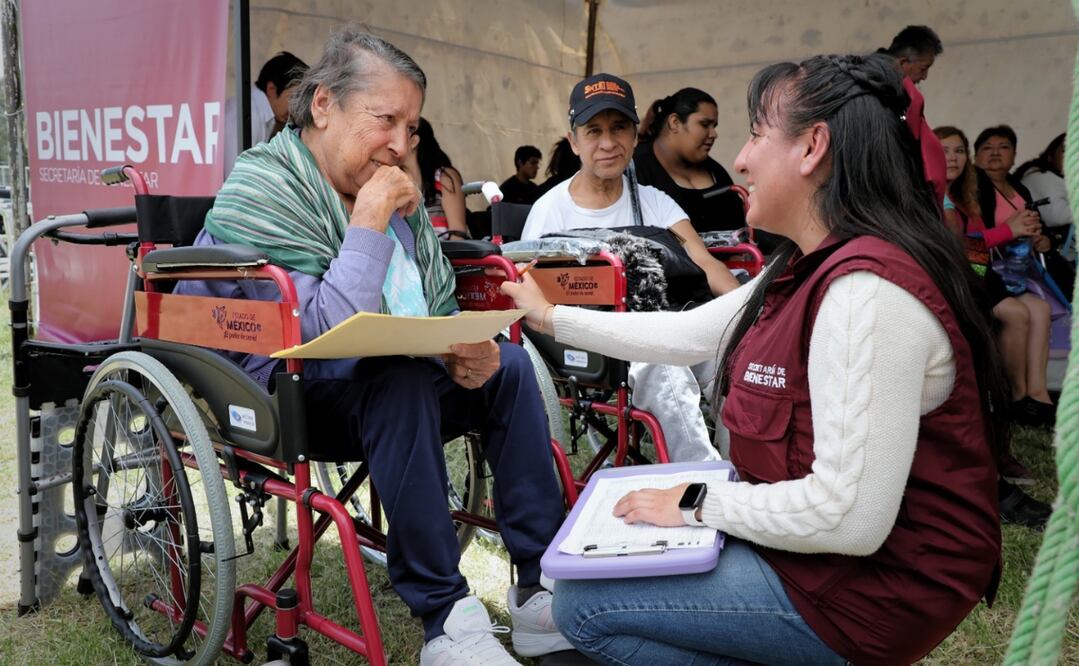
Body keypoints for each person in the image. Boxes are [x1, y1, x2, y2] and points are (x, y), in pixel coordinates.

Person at [503, 53, 1004, 665]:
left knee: (583, 606)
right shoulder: (809, 262)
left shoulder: (865, 292)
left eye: (756, 134)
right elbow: (689, 332)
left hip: (869, 594)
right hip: (824, 564)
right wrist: (552, 317)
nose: (738, 159)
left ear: (812, 147)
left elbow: (848, 517)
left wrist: (695, 502)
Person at [176, 28, 570, 665]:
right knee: (399, 380)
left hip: (378, 383)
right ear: (323, 105)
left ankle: (538, 587)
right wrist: (368, 219)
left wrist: (460, 347)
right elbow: (317, 335)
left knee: (513, 367)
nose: (401, 145)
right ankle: (446, 620)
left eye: (410, 128)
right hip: (280, 390)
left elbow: (429, 308)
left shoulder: (389, 192)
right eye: (385, 120)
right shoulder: (262, 188)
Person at [522, 72, 741, 464]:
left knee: (730, 353)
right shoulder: (549, 211)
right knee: (659, 359)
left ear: (636, 135)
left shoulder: (656, 203)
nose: (608, 143)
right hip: (585, 343)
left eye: (619, 128)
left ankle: (746, 469)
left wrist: (747, 312)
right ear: (574, 141)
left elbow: (705, 263)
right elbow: (528, 295)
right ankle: (702, 482)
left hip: (664, 326)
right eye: (594, 131)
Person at [936, 126, 1052, 525]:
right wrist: (1008, 231)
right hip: (955, 289)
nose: (952, 158)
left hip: (978, 281)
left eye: (958, 151)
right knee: (999, 340)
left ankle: (1024, 402)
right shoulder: (931, 196)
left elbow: (973, 248)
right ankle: (1011, 415)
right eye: (943, 151)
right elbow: (958, 247)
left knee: (1033, 312)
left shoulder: (967, 194)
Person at [633, 87, 745, 234]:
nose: (714, 134)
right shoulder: (635, 167)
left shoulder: (715, 171)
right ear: (675, 122)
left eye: (714, 126)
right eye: (704, 124)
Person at [880, 25, 947, 207]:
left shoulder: (878, 82)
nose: (924, 77)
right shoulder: (880, 89)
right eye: (924, 68)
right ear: (903, 63)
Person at [223, 51, 309, 176]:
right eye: (294, 97)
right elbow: (235, 176)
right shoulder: (246, 114)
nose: (297, 107)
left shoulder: (267, 115)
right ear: (271, 89)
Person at [410, 117, 470, 238]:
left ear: (414, 141)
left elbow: (458, 233)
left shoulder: (444, 177)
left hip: (446, 249)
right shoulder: (392, 180)